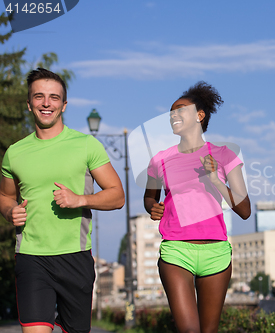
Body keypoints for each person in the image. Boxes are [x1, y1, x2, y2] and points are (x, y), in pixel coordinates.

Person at [0, 68, 125, 333]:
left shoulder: (86, 145)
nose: (47, 103)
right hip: (32, 257)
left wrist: (80, 199)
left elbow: (117, 195)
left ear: (64, 105)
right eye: (39, 97)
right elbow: (5, 196)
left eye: (54, 98)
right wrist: (10, 210)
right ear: (29, 103)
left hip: (75, 257)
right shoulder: (15, 153)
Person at [144, 81, 250, 333]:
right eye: (171, 112)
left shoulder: (225, 155)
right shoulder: (160, 159)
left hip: (216, 252)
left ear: (199, 115)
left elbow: (245, 210)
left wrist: (216, 180)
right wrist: (152, 207)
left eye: (180, 109)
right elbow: (150, 197)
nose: (173, 115)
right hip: (176, 250)